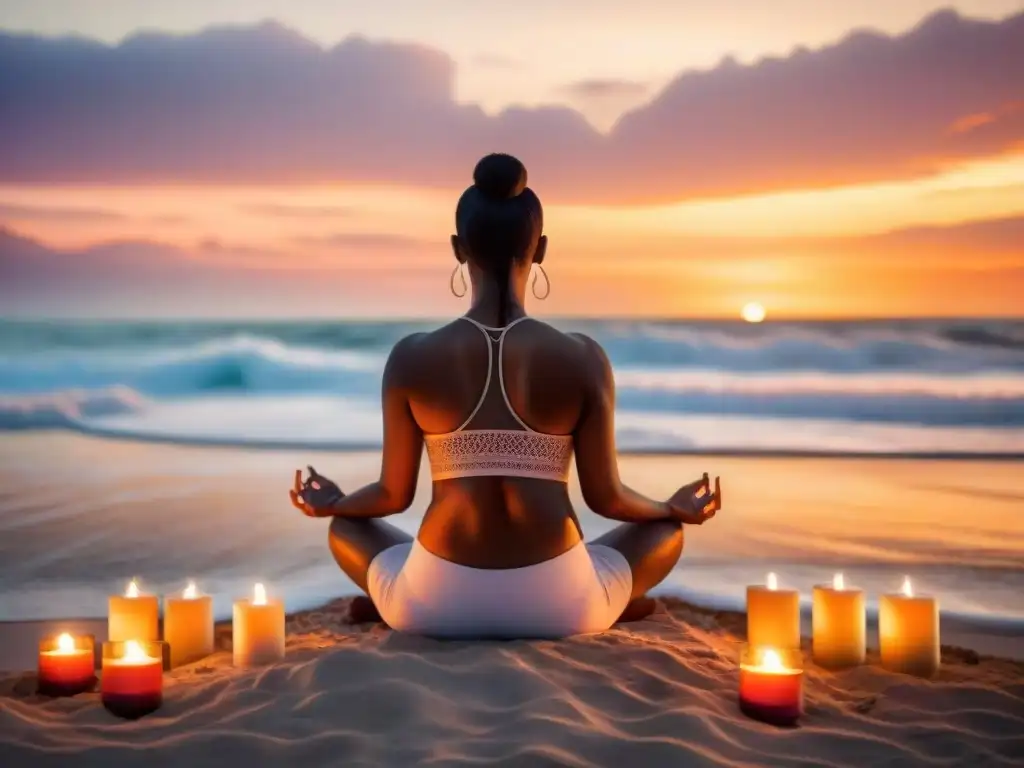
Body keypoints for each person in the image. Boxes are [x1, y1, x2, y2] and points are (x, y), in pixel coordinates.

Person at [289, 153, 721, 638]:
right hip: (562, 605)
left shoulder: (411, 356)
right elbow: (608, 499)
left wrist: (335, 504)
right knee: (664, 534)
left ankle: (389, 598)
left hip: (433, 605)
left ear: (457, 248)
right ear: (541, 250)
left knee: (346, 529)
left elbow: (392, 496)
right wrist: (670, 508)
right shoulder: (583, 357)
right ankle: (613, 602)